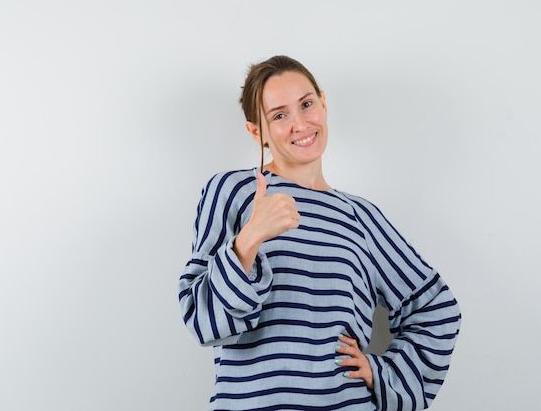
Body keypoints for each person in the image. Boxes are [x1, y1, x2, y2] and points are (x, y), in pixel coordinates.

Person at [177, 55, 461, 410]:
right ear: (256, 132)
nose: (300, 124)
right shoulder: (231, 192)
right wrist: (250, 237)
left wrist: (380, 371)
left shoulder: (361, 216)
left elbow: (436, 310)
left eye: (307, 104)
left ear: (323, 104)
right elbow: (202, 321)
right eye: (279, 115)